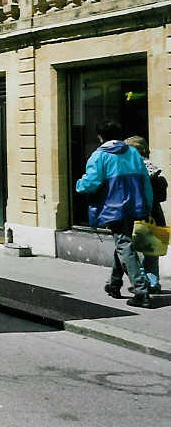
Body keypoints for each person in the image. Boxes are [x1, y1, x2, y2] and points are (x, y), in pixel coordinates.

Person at [76, 120, 153, 308]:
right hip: (136, 205)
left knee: (124, 244)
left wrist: (79, 185)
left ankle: (141, 291)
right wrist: (148, 204)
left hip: (113, 207)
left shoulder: (99, 156)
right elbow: (145, 181)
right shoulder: (133, 152)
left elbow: (91, 183)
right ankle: (114, 284)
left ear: (100, 136)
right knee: (123, 243)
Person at [125, 135, 166, 294]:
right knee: (151, 254)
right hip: (156, 214)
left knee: (129, 254)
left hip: (138, 214)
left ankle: (141, 280)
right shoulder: (154, 168)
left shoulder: (134, 168)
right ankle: (153, 283)